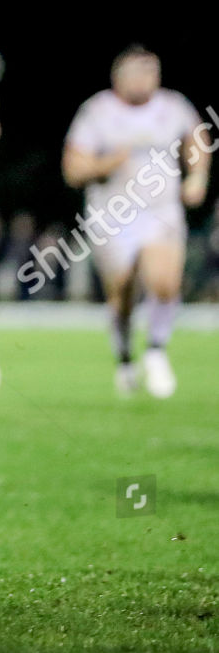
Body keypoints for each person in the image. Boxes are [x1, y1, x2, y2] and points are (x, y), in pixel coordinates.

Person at [63, 46, 210, 397]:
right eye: (137, 72)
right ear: (119, 76)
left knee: (165, 282)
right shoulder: (97, 112)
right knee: (124, 294)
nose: (145, 79)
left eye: (151, 72)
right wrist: (106, 164)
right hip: (113, 215)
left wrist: (197, 177)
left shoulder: (173, 106)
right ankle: (126, 357)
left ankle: (157, 351)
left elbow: (198, 138)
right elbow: (73, 169)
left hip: (159, 211)